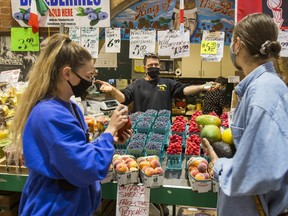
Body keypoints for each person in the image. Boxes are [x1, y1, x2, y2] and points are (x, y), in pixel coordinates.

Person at [10, 33, 132, 215]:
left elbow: (76, 150)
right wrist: (109, 131)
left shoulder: (69, 107)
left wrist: (109, 139)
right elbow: (85, 166)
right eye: (89, 76)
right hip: (53, 207)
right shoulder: (50, 115)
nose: (91, 83)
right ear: (67, 73)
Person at [202, 13, 288, 216]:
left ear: (237, 44)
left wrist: (219, 166)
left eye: (231, 41)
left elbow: (262, 171)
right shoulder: (266, 86)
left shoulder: (262, 94)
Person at [96, 53, 213, 113]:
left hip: (163, 127)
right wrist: (112, 90)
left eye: (156, 65)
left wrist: (202, 87)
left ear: (159, 66)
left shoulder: (167, 83)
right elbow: (123, 98)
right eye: (150, 65)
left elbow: (184, 90)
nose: (154, 67)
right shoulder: (136, 85)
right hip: (142, 129)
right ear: (144, 67)